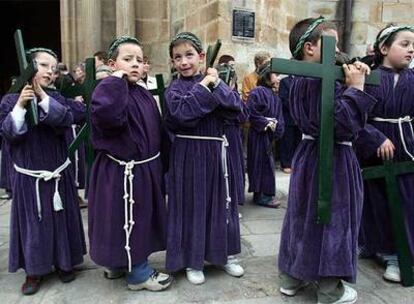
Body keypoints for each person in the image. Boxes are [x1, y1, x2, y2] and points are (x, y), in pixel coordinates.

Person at [277, 17, 376, 304]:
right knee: (334, 218)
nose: (338, 50)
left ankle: (292, 278)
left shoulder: (298, 78)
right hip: (332, 157)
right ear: (309, 48)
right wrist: (356, 89)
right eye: (330, 43)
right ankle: (330, 290)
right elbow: (339, 124)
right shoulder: (319, 78)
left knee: (302, 217)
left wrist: (357, 70)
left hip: (308, 156)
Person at [87, 35, 172, 291]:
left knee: (138, 218)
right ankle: (138, 273)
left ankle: (120, 263)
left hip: (143, 170)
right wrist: (114, 83)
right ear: (112, 64)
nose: (135, 64)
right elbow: (108, 118)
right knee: (121, 218)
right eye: (127, 59)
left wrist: (163, 164)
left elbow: (156, 128)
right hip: (120, 172)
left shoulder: (142, 93)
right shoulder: (108, 89)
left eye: (139, 59)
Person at [0, 47, 86, 295]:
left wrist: (42, 97)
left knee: (60, 220)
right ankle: (34, 271)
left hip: (57, 172)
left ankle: (64, 263)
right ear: (28, 68)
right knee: (34, 225)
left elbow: (67, 118)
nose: (51, 71)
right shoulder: (9, 100)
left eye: (54, 67)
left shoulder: (56, 98)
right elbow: (9, 133)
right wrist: (20, 104)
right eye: (44, 65)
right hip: (29, 178)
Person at [164, 32, 244, 285]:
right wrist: (205, 88)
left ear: (201, 57)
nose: (184, 62)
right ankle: (192, 259)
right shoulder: (173, 90)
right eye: (177, 58)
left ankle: (225, 254)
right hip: (187, 155)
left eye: (189, 55)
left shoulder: (214, 80)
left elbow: (236, 109)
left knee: (222, 203)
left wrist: (217, 84)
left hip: (215, 153)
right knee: (193, 205)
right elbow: (182, 114)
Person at [355, 25, 414, 283]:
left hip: (407, 146)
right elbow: (358, 116)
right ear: (384, 48)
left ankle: (405, 252)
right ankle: (388, 252)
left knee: (406, 201)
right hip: (376, 148)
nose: (411, 49)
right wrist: (376, 137)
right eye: (404, 43)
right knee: (378, 202)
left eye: (413, 45)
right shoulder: (370, 77)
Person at [247, 63, 285, 208]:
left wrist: (277, 129)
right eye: (276, 75)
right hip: (258, 135)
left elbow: (279, 117)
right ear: (267, 76)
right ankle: (261, 195)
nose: (278, 79)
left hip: (269, 137)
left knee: (267, 165)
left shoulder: (275, 96)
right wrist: (265, 122)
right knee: (258, 163)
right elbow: (252, 112)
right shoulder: (257, 92)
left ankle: (266, 194)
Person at [278, 75, 301, 174]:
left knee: (298, 141)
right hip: (288, 116)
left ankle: (296, 163)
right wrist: (295, 106)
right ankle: (286, 164)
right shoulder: (284, 81)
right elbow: (283, 98)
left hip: (300, 117)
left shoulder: (302, 79)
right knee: (287, 141)